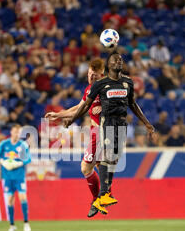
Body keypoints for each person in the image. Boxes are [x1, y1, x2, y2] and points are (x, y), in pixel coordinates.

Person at [64, 51, 156, 216]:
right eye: (115, 60)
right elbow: (83, 106)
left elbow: (133, 104)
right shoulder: (98, 86)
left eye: (120, 59)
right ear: (109, 65)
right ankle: (101, 197)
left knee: (106, 161)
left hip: (117, 125)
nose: (118, 61)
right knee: (103, 160)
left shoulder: (127, 82)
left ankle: (103, 196)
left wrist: (147, 123)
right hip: (104, 126)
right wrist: (69, 118)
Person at [45, 58, 105, 217]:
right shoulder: (89, 90)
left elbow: (120, 105)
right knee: (97, 166)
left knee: (86, 167)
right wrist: (58, 114)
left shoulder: (107, 88)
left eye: (94, 74)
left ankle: (97, 199)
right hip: (96, 133)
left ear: (101, 74)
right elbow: (79, 108)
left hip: (103, 133)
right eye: (89, 73)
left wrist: (104, 108)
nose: (90, 76)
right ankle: (102, 196)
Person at [0, 124, 32, 231]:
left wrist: (18, 163)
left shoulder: (23, 145)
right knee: (10, 200)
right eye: (15, 132)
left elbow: (28, 159)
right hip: (7, 177)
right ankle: (12, 225)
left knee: (22, 198)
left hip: (19, 177)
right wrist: (3, 162)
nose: (17, 134)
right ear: (11, 132)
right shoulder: (4, 143)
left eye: (19, 132)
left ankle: (26, 223)